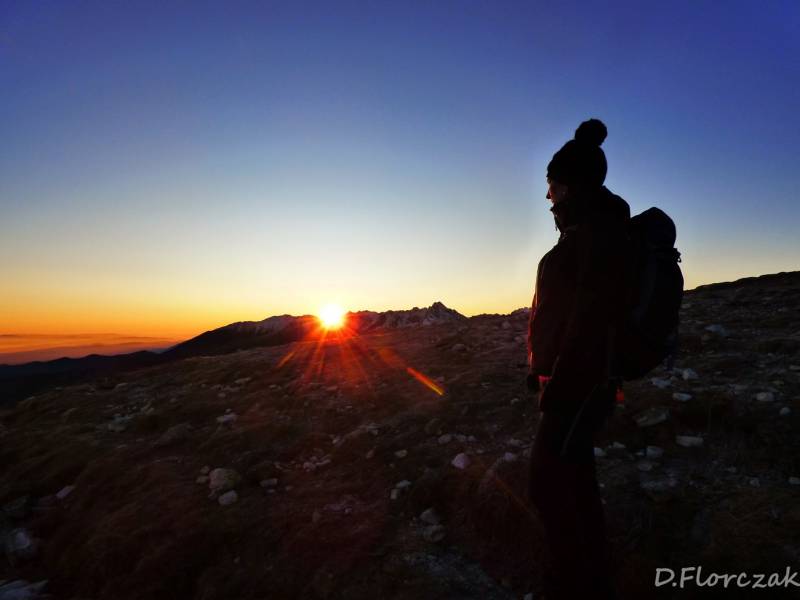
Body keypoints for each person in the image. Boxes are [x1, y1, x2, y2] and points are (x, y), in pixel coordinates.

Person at [526, 118, 629, 600]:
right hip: (581, 382)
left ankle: (572, 584)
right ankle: (596, 576)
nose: (547, 195)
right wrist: (540, 371)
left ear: (569, 187)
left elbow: (588, 322)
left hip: (579, 386)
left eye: (552, 185)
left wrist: (559, 387)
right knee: (577, 475)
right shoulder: (593, 233)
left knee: (546, 483)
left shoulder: (594, 239)